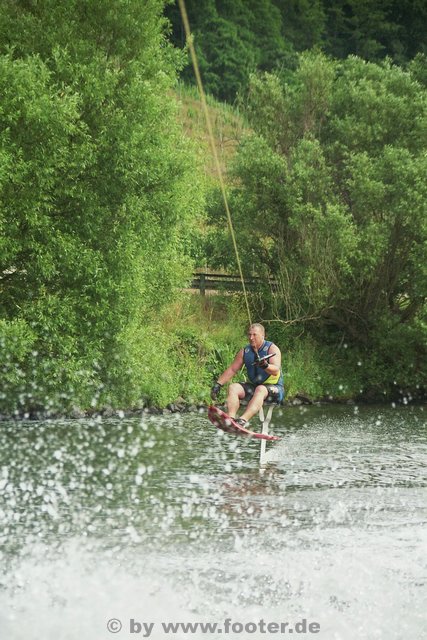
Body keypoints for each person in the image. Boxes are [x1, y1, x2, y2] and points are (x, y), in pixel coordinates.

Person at [210, 323, 284, 426]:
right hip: (256, 388)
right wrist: (218, 384)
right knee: (233, 387)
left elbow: (276, 370)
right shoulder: (245, 351)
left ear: (263, 335)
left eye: (254, 335)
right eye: (249, 334)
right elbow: (232, 369)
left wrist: (265, 365)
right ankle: (231, 419)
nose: (251, 337)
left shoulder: (272, 349)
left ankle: (242, 420)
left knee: (261, 389)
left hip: (275, 389)